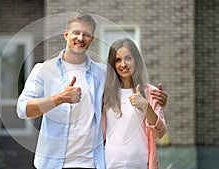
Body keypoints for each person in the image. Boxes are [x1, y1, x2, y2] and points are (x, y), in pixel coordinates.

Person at [17, 12, 168, 169]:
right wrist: (59, 98)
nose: (81, 38)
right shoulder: (43, 70)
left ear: (92, 39)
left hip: (92, 163)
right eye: (76, 32)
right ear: (66, 34)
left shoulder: (103, 73)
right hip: (53, 164)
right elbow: (23, 110)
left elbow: (129, 84)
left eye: (86, 34)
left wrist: (156, 98)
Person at [102, 38, 167, 169]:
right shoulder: (105, 94)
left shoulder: (151, 92)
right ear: (112, 64)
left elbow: (160, 133)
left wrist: (146, 106)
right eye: (118, 60)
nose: (123, 64)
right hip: (109, 164)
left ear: (136, 60)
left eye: (128, 58)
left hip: (141, 165)